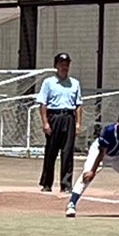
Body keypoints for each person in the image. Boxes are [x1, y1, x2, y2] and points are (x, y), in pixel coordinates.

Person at [36, 52, 82, 193]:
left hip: (69, 117)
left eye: (67, 64)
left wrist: (78, 123)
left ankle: (66, 184)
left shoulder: (74, 83)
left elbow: (78, 105)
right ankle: (47, 183)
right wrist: (45, 123)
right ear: (56, 65)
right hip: (54, 117)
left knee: (68, 152)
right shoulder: (48, 82)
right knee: (51, 151)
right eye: (62, 64)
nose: (64, 67)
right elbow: (43, 104)